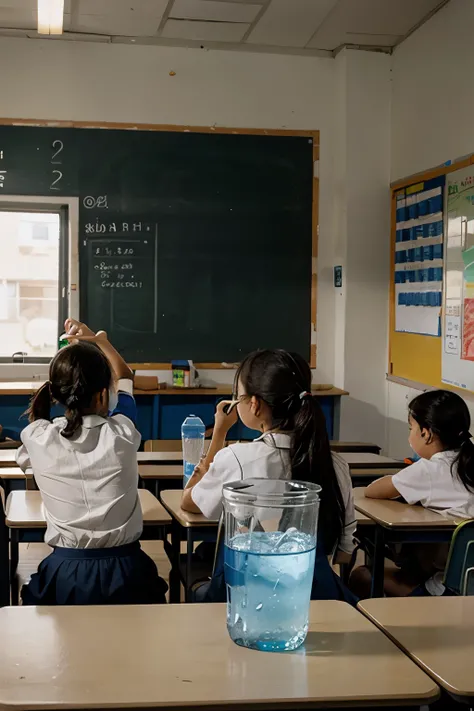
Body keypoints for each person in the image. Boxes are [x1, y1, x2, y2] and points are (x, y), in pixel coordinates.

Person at [181, 348, 357, 603]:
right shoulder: (336, 464)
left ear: (254, 404)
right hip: (315, 597)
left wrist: (219, 431)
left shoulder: (237, 458)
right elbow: (344, 553)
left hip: (250, 599)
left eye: (238, 396)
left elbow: (189, 502)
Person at [16, 318, 167, 605]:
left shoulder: (37, 437)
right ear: (102, 394)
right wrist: (99, 341)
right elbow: (125, 376)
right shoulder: (123, 432)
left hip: (66, 572)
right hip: (127, 572)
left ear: (56, 393)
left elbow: (28, 457)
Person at [350, 389, 474, 597]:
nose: (410, 435)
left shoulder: (428, 470)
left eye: (411, 428)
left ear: (426, 434)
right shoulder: (467, 462)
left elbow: (373, 491)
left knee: (362, 576)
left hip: (448, 590)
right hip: (466, 580)